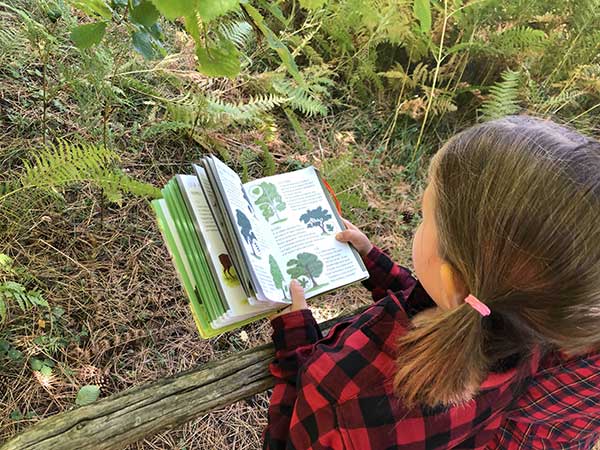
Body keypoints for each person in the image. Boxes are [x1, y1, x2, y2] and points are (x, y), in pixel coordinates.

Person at [262, 115, 600, 450]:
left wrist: (294, 340)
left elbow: (291, 434)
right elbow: (432, 300)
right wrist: (372, 261)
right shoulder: (522, 339)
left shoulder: (344, 391)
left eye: (424, 217)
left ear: (452, 280)